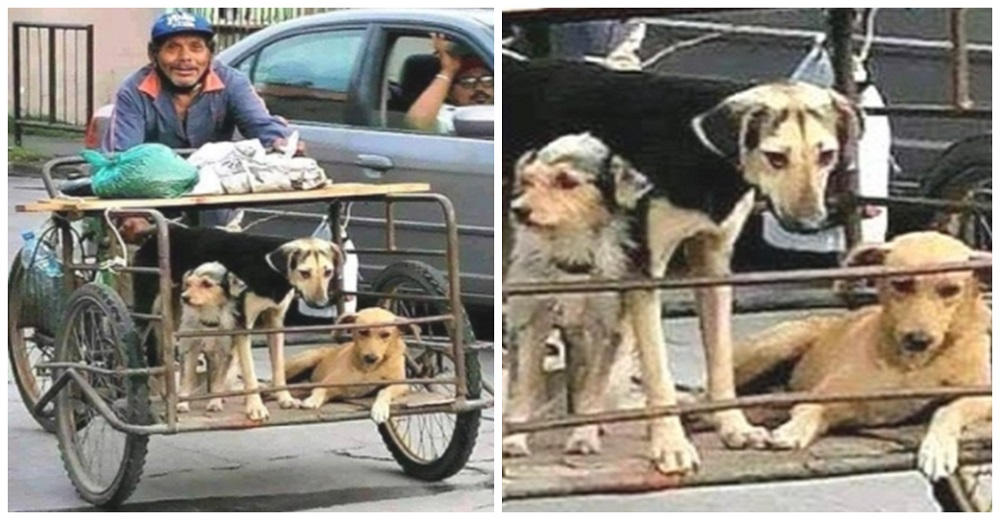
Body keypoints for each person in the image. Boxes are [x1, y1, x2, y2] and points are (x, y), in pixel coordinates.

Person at [103, 11, 298, 227]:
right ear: (153, 55)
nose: (185, 57)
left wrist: (282, 142)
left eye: (196, 47)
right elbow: (124, 160)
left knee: (220, 252)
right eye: (172, 47)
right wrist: (131, 213)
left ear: (210, 54)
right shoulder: (133, 91)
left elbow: (260, 125)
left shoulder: (233, 83)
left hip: (212, 203)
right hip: (152, 204)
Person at [405, 33, 493, 134]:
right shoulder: (445, 114)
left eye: (487, 80)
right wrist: (448, 71)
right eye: (468, 82)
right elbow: (416, 124)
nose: (479, 88)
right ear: (449, 92)